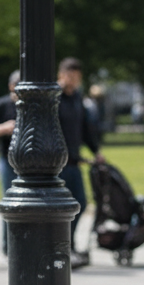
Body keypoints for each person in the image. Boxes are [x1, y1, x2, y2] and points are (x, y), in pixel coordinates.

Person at [57, 57, 101, 269]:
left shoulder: (77, 99)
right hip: (57, 165)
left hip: (74, 162)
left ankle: (69, 245)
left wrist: (95, 151)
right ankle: (64, 247)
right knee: (65, 207)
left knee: (80, 203)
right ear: (61, 75)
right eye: (70, 77)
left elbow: (85, 128)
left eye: (77, 78)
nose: (73, 82)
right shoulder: (53, 98)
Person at [0, 70, 20, 255]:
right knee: (9, 202)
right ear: (11, 86)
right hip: (6, 159)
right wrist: (4, 128)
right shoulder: (1, 105)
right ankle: (7, 245)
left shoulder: (32, 105)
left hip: (28, 162)